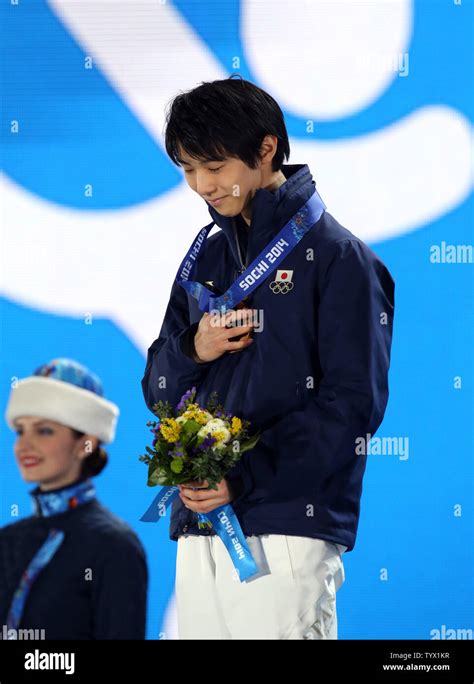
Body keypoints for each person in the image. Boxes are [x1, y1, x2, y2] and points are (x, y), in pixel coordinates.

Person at [142, 76, 395, 639]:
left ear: (266, 149)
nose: (201, 185)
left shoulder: (338, 257)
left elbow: (353, 407)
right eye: (187, 169)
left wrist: (246, 476)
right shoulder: (204, 256)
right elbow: (157, 390)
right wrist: (193, 348)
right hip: (201, 522)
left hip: (287, 522)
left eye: (214, 166)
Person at [1, 358, 148, 640]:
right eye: (21, 430)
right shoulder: (7, 540)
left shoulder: (114, 545)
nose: (24, 445)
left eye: (44, 430)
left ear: (85, 443)